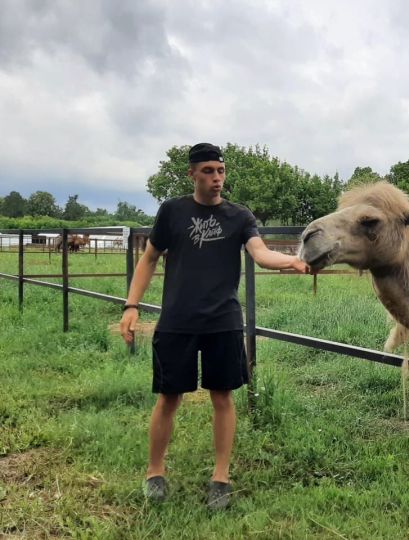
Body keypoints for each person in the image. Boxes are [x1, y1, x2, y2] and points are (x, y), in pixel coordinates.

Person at [119, 142, 309, 509]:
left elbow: (260, 253)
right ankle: (154, 471)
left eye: (220, 171)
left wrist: (292, 261)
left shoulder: (239, 216)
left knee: (223, 397)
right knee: (169, 397)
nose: (217, 178)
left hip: (223, 321)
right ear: (192, 173)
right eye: (208, 171)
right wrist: (131, 305)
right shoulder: (172, 211)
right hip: (177, 320)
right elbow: (149, 258)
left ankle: (221, 477)